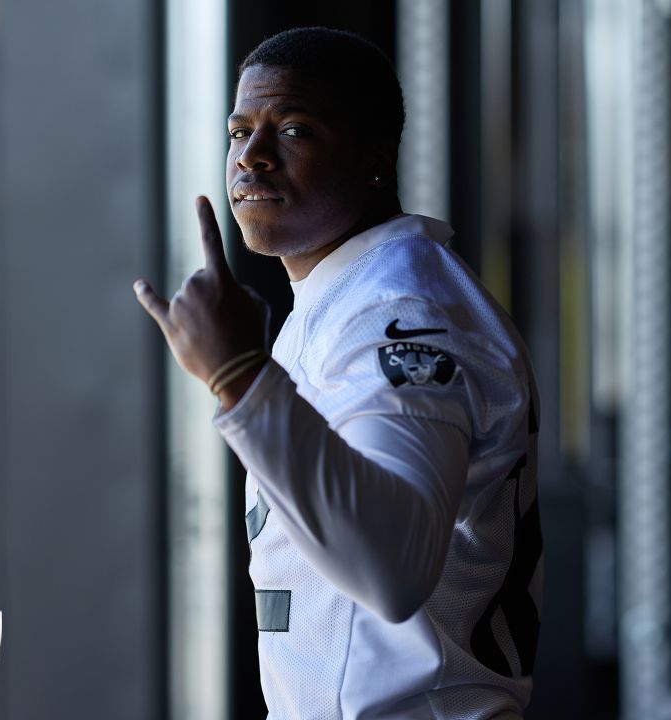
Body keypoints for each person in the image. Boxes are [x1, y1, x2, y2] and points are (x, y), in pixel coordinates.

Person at [133, 27, 542, 719]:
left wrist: (238, 376)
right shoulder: (346, 294)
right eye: (239, 132)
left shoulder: (399, 313)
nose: (251, 158)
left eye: (293, 130)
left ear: (375, 158)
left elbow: (394, 569)